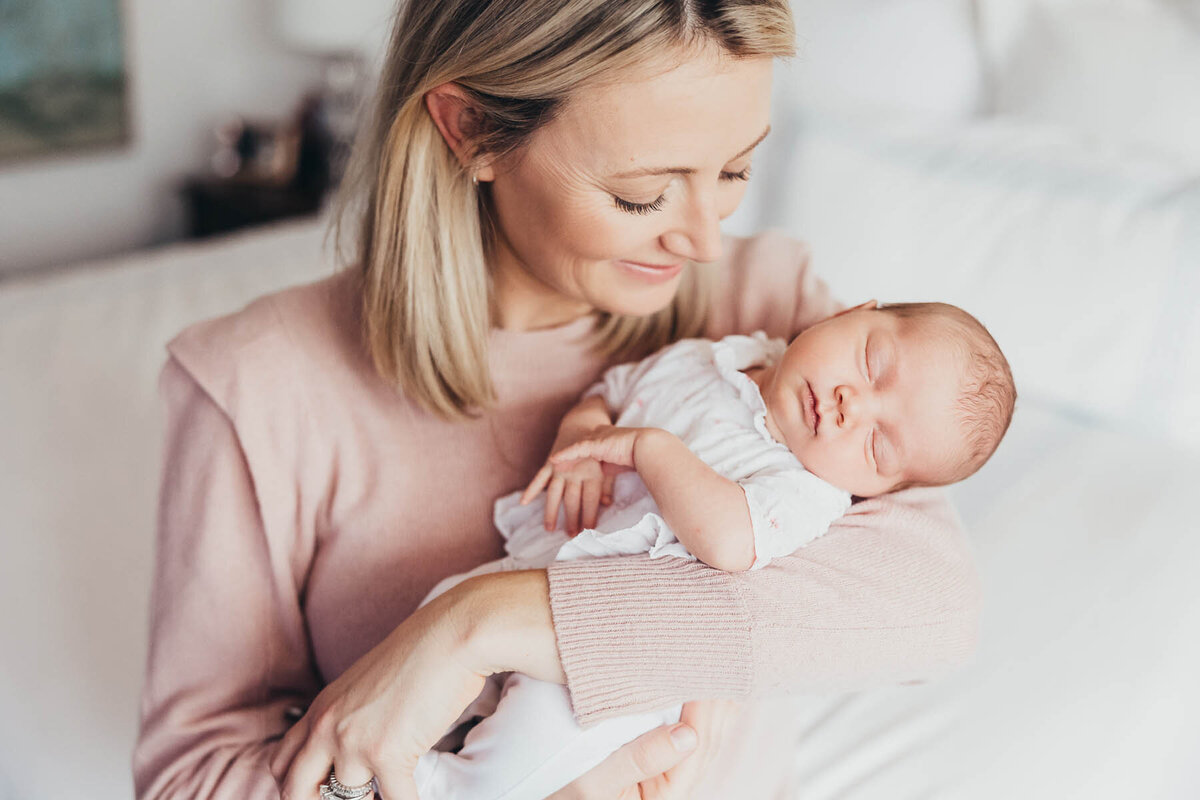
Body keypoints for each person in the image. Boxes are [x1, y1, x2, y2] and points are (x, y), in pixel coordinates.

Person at [131, 1, 983, 799]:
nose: (704, 238)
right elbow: (190, 780)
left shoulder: (774, 317)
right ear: (471, 131)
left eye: (734, 169)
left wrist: (481, 621)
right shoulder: (256, 386)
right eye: (641, 194)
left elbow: (937, 608)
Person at [408, 301, 1014, 799]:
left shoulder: (805, 492)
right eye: (872, 363)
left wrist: (650, 449)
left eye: (878, 446)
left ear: (875, 490)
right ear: (852, 311)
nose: (851, 406)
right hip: (530, 575)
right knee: (436, 614)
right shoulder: (711, 357)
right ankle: (394, 744)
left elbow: (727, 541)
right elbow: (612, 390)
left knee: (546, 734)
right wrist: (583, 433)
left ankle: (442, 788)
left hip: (617, 667)